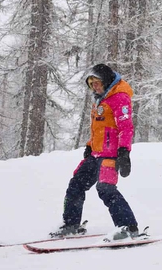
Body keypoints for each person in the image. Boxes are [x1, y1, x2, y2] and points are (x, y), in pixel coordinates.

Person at [51, 63, 140, 240]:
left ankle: (128, 227)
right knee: (76, 184)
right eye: (91, 84)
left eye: (97, 82)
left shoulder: (119, 97)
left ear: (106, 81)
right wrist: (90, 145)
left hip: (111, 155)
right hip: (96, 154)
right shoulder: (100, 99)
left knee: (105, 188)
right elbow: (99, 128)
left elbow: (126, 127)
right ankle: (71, 224)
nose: (95, 86)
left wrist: (124, 151)